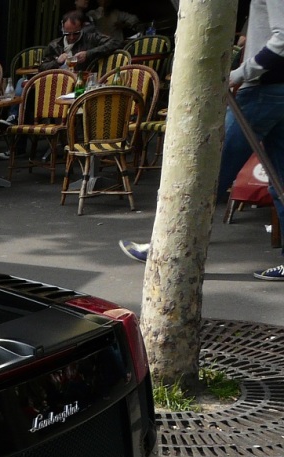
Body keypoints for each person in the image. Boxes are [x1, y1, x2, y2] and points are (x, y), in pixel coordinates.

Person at [119, 0, 284, 281]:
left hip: (263, 90)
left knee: (210, 169)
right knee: (281, 179)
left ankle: (167, 248)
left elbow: (281, 39)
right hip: (272, 88)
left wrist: (238, 74)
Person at [38, 10, 114, 72]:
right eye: (67, 34)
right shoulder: (54, 45)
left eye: (76, 33)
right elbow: (42, 68)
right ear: (63, 29)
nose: (71, 37)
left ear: (82, 27)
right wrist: (57, 62)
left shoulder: (91, 38)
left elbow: (114, 43)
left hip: (83, 81)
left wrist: (88, 54)